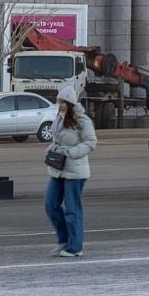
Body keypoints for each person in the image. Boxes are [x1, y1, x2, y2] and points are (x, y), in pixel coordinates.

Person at [44, 85, 97, 257]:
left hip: (75, 170)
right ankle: (64, 240)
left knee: (72, 210)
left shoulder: (82, 120)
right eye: (59, 101)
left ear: (71, 103)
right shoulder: (59, 118)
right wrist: (51, 149)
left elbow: (91, 143)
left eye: (63, 102)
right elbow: (57, 140)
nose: (60, 105)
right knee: (51, 205)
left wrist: (71, 153)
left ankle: (75, 247)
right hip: (58, 168)